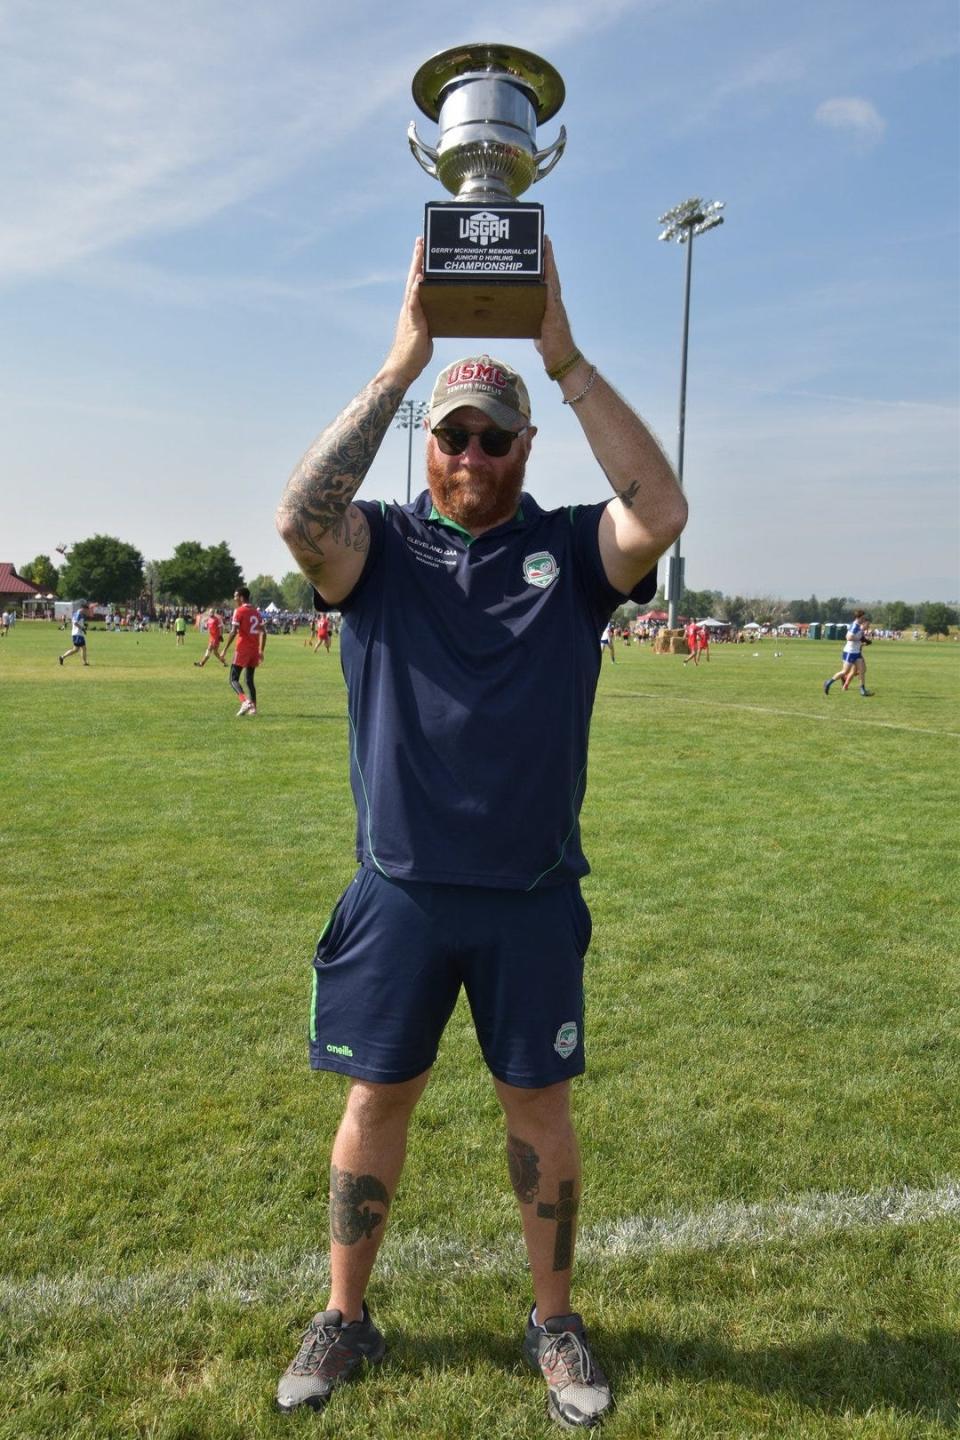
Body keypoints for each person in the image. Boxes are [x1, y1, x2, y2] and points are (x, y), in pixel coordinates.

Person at [272, 237, 687, 1429]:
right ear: (431, 443)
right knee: (375, 1106)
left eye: (490, 438)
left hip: (531, 893)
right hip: (400, 892)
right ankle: (347, 1316)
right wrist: (405, 364)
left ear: (523, 450)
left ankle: (553, 1318)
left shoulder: (567, 548)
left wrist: (559, 355)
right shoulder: (383, 548)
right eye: (451, 435)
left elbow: (660, 508)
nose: (467, 455)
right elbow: (301, 516)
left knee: (539, 1110)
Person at [221, 588, 266, 715]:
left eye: (235, 596)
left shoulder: (239, 611)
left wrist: (224, 649)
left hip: (242, 649)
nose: (234, 599)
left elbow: (234, 631)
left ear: (241, 597)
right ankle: (254, 708)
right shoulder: (256, 612)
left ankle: (245, 701)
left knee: (233, 679)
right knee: (249, 680)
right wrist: (261, 650)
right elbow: (264, 632)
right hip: (254, 650)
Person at [823, 610, 872, 697]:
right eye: (863, 617)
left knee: (862, 670)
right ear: (860, 617)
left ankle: (862, 690)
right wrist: (859, 639)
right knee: (845, 671)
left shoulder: (859, 626)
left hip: (856, 652)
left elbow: (859, 635)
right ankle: (828, 682)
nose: (864, 619)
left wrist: (865, 640)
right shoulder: (854, 626)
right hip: (850, 652)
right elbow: (848, 637)